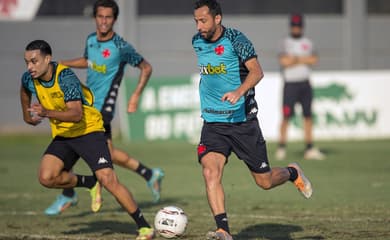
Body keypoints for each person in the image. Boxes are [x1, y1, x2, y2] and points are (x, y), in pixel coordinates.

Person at [192, 1, 313, 239]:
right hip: (213, 123)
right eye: (196, 21)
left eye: (203, 20)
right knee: (210, 172)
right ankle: (223, 230)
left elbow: (257, 71)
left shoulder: (237, 40)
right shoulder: (197, 42)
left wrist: (238, 91)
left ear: (218, 19)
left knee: (265, 182)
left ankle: (292, 172)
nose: (199, 26)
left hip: (242, 122)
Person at [20, 39, 155, 240]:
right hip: (64, 134)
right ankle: (90, 182)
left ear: (48, 59)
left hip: (88, 130)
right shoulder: (29, 78)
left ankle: (144, 227)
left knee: (108, 179)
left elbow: (75, 114)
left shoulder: (65, 77)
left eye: (34, 61)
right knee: (46, 177)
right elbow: (24, 90)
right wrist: (26, 115)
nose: (30, 67)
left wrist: (46, 112)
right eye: (27, 62)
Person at [45, 0, 164, 215]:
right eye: (100, 16)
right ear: (95, 18)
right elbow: (88, 61)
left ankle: (73, 192)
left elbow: (146, 67)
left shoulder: (121, 47)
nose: (104, 21)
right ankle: (149, 174)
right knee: (107, 152)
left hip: (102, 109)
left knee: (72, 141)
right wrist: (64, 63)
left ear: (115, 20)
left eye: (108, 17)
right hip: (88, 104)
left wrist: (135, 96)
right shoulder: (91, 40)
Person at [275, 13, 325, 161]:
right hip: (290, 84)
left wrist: (295, 58)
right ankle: (282, 147)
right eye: (294, 26)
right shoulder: (285, 42)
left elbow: (314, 59)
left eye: (298, 26)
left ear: (302, 27)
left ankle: (309, 147)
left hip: (305, 84)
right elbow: (284, 61)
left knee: (308, 116)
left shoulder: (308, 42)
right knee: (286, 116)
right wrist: (303, 59)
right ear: (291, 26)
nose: (296, 28)